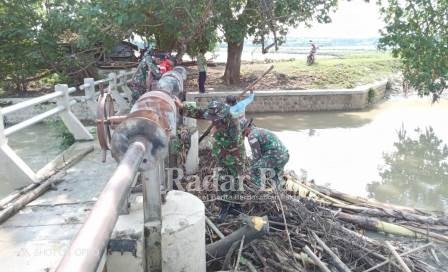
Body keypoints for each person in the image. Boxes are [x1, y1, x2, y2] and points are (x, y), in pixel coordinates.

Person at [174, 97, 246, 219]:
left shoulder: (233, 121)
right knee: (222, 180)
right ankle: (224, 207)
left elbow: (232, 141)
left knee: (235, 181)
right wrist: (182, 107)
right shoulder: (216, 112)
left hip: (234, 156)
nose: (211, 120)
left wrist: (216, 131)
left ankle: (236, 208)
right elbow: (201, 113)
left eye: (214, 119)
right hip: (222, 155)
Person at [241, 119, 289, 186]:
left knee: (255, 170)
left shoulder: (251, 136)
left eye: (243, 132)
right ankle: (278, 189)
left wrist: (250, 170)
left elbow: (256, 157)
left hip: (275, 156)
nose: (244, 135)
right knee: (274, 175)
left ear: (246, 129)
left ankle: (257, 187)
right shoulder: (260, 130)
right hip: (285, 155)